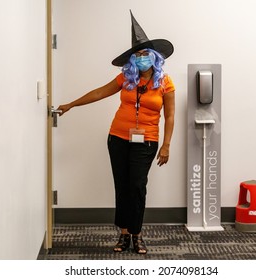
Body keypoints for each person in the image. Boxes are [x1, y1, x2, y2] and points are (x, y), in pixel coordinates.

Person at [57, 11, 175, 255]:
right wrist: (71, 104)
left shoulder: (165, 83)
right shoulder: (126, 78)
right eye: (138, 55)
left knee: (137, 185)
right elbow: (100, 92)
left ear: (154, 57)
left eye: (146, 54)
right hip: (118, 138)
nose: (142, 58)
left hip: (147, 141)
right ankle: (123, 234)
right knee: (121, 185)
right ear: (132, 59)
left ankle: (137, 234)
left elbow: (170, 116)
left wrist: (166, 145)